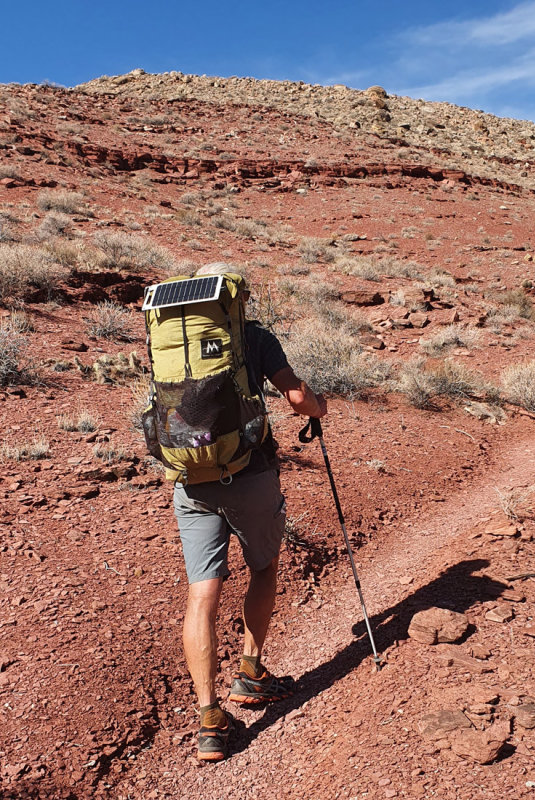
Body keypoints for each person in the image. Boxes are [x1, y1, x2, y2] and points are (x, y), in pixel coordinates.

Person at [171, 262, 327, 762]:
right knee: (264, 567)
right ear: (235, 296)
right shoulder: (254, 336)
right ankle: (251, 670)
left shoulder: (173, 337)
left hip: (190, 477)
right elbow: (298, 398)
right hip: (250, 474)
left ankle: (210, 719)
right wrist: (319, 408)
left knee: (202, 595)